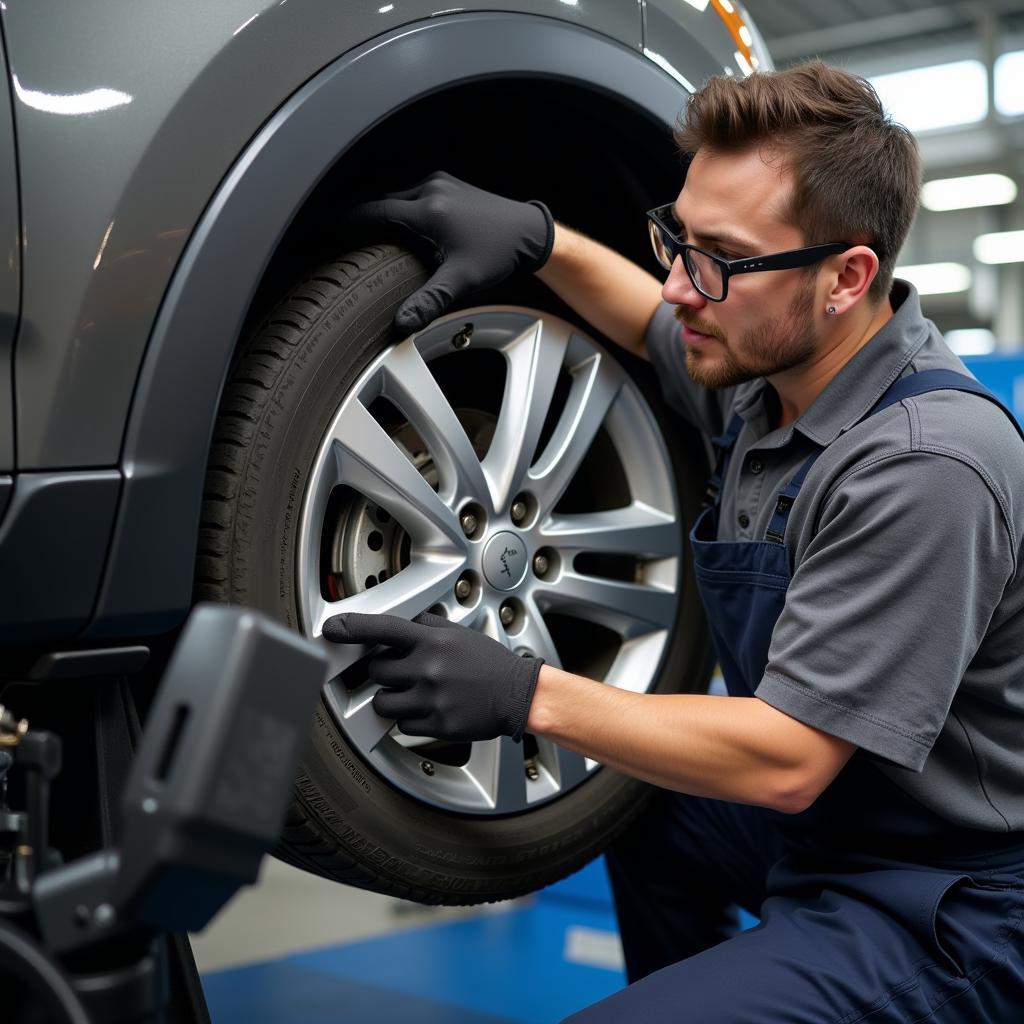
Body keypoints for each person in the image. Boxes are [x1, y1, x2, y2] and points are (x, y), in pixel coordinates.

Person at [327, 61, 1024, 1021]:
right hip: (833, 833)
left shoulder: (928, 464)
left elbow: (786, 758)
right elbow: (649, 317)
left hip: (952, 906)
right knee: (635, 799)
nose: (679, 284)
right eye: (677, 239)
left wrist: (526, 692)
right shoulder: (768, 365)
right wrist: (540, 237)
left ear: (847, 277)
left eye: (718, 260)